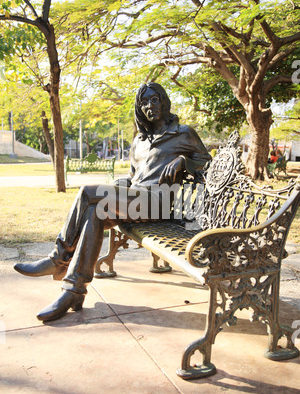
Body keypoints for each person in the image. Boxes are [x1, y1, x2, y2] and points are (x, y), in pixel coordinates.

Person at [14, 82, 211, 322]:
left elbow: (207, 162)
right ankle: (73, 291)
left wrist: (183, 161)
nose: (151, 106)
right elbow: (131, 177)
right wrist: (118, 189)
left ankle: (58, 259)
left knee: (88, 192)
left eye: (155, 100)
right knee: (94, 213)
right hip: (136, 201)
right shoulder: (139, 141)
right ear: (140, 109)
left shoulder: (183, 132)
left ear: (164, 101)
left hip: (158, 204)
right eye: (145, 102)